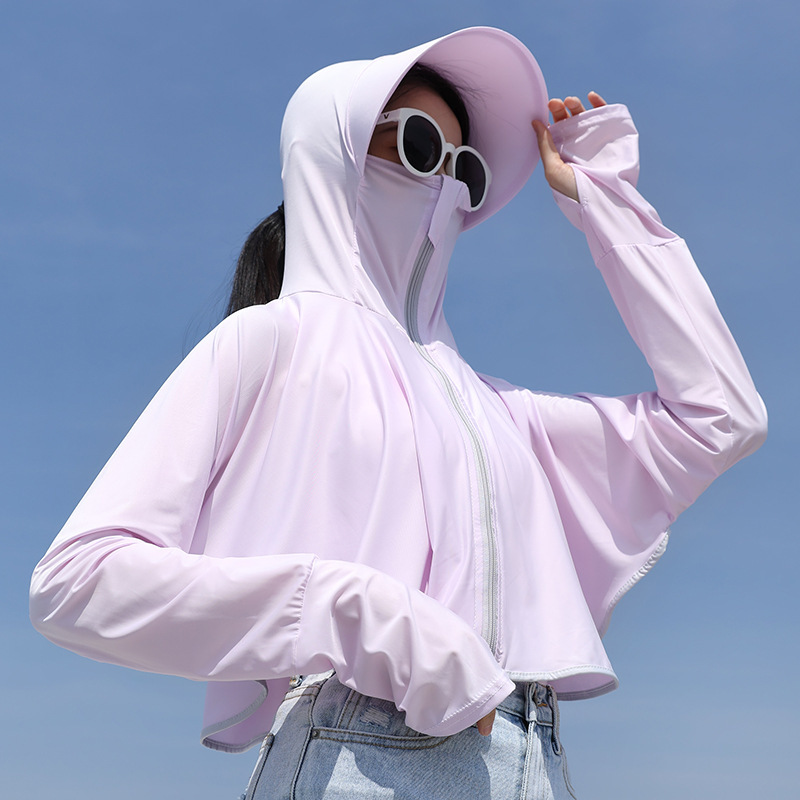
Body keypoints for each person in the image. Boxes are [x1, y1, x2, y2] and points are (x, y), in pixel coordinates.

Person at [30, 27, 766, 799]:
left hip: (535, 761)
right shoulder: (269, 342)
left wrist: (608, 205)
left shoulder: (504, 415)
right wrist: (358, 611)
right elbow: (76, 582)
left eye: (467, 170)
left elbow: (721, 416)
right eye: (418, 144)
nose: (445, 182)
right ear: (334, 153)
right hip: (353, 754)